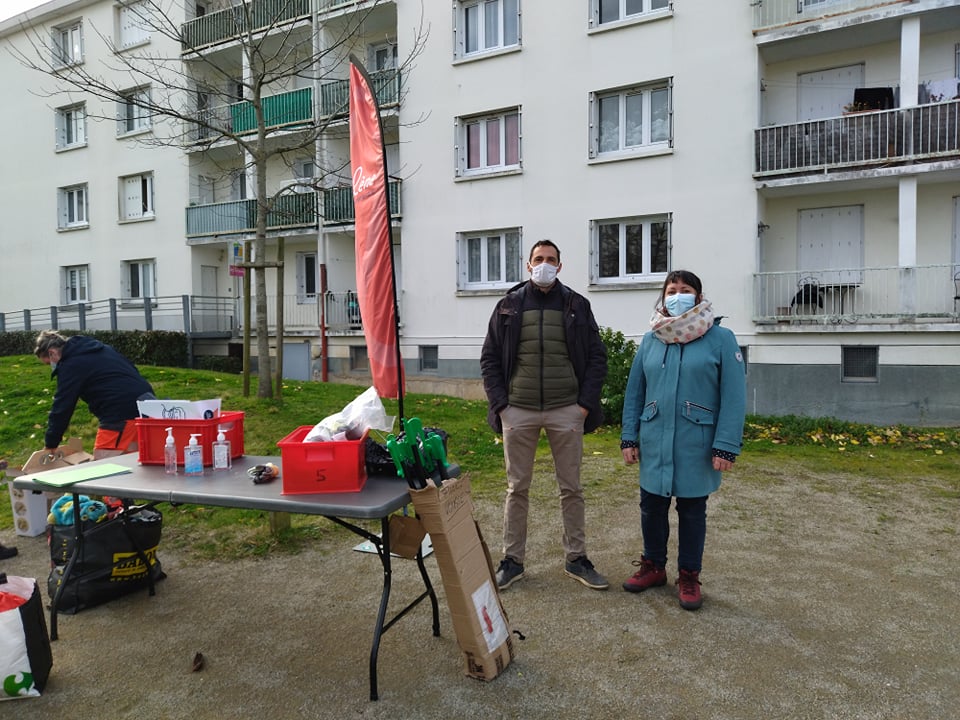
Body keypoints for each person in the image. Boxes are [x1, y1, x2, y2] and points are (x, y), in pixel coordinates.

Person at [480, 240, 609, 591]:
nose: (545, 265)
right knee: (516, 488)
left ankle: (576, 559)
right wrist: (501, 406)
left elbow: (597, 357)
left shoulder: (576, 305)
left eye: (551, 260)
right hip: (517, 410)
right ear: (528, 265)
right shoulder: (508, 305)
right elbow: (490, 357)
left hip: (566, 409)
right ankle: (512, 560)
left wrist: (583, 405)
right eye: (539, 259)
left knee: (571, 488)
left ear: (560, 266)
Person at [620, 270, 746, 610]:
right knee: (651, 506)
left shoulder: (721, 338)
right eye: (672, 290)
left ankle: (689, 575)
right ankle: (653, 566)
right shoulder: (651, 338)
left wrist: (726, 445)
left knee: (692, 511)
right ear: (663, 297)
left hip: (697, 442)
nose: (678, 295)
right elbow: (635, 392)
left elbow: (734, 396)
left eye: (685, 290)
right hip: (655, 438)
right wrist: (629, 436)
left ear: (699, 296)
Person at [34, 331, 156, 460]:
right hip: (147, 405)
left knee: (103, 466)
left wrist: (50, 444)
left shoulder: (71, 364)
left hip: (120, 413)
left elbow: (63, 406)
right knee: (135, 463)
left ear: (52, 352)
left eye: (49, 363)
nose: (52, 367)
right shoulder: (101, 349)